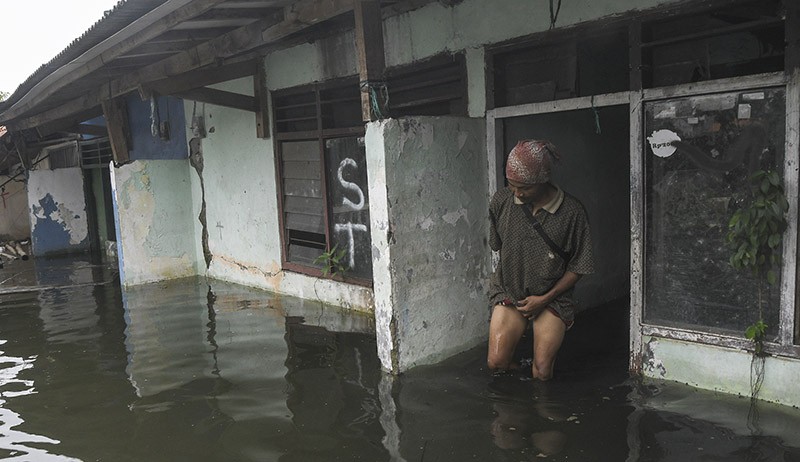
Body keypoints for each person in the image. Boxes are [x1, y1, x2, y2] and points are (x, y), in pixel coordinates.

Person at [487, 139, 594, 380]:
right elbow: (497, 245)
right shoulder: (501, 201)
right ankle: (519, 386)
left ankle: (541, 408)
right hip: (511, 291)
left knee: (543, 371)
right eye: (512, 185)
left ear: (543, 181)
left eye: (524, 188)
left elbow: (580, 266)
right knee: (496, 363)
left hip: (552, 298)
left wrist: (544, 299)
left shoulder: (572, 213)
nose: (517, 193)